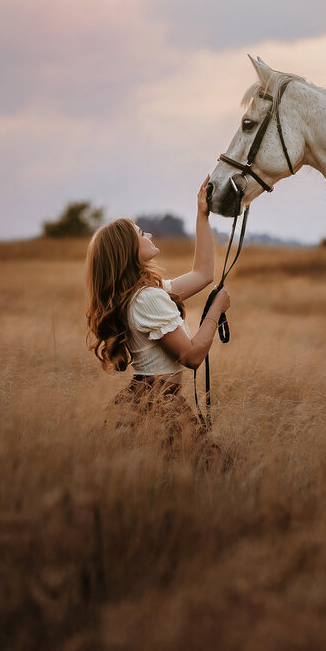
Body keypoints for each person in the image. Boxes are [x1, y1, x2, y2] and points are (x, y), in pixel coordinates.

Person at [84, 177, 230, 465]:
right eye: (141, 233)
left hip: (149, 397)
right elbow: (191, 356)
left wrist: (202, 215)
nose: (149, 234)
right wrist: (216, 310)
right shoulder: (147, 298)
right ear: (127, 250)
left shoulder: (142, 292)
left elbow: (202, 274)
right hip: (158, 404)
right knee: (207, 470)